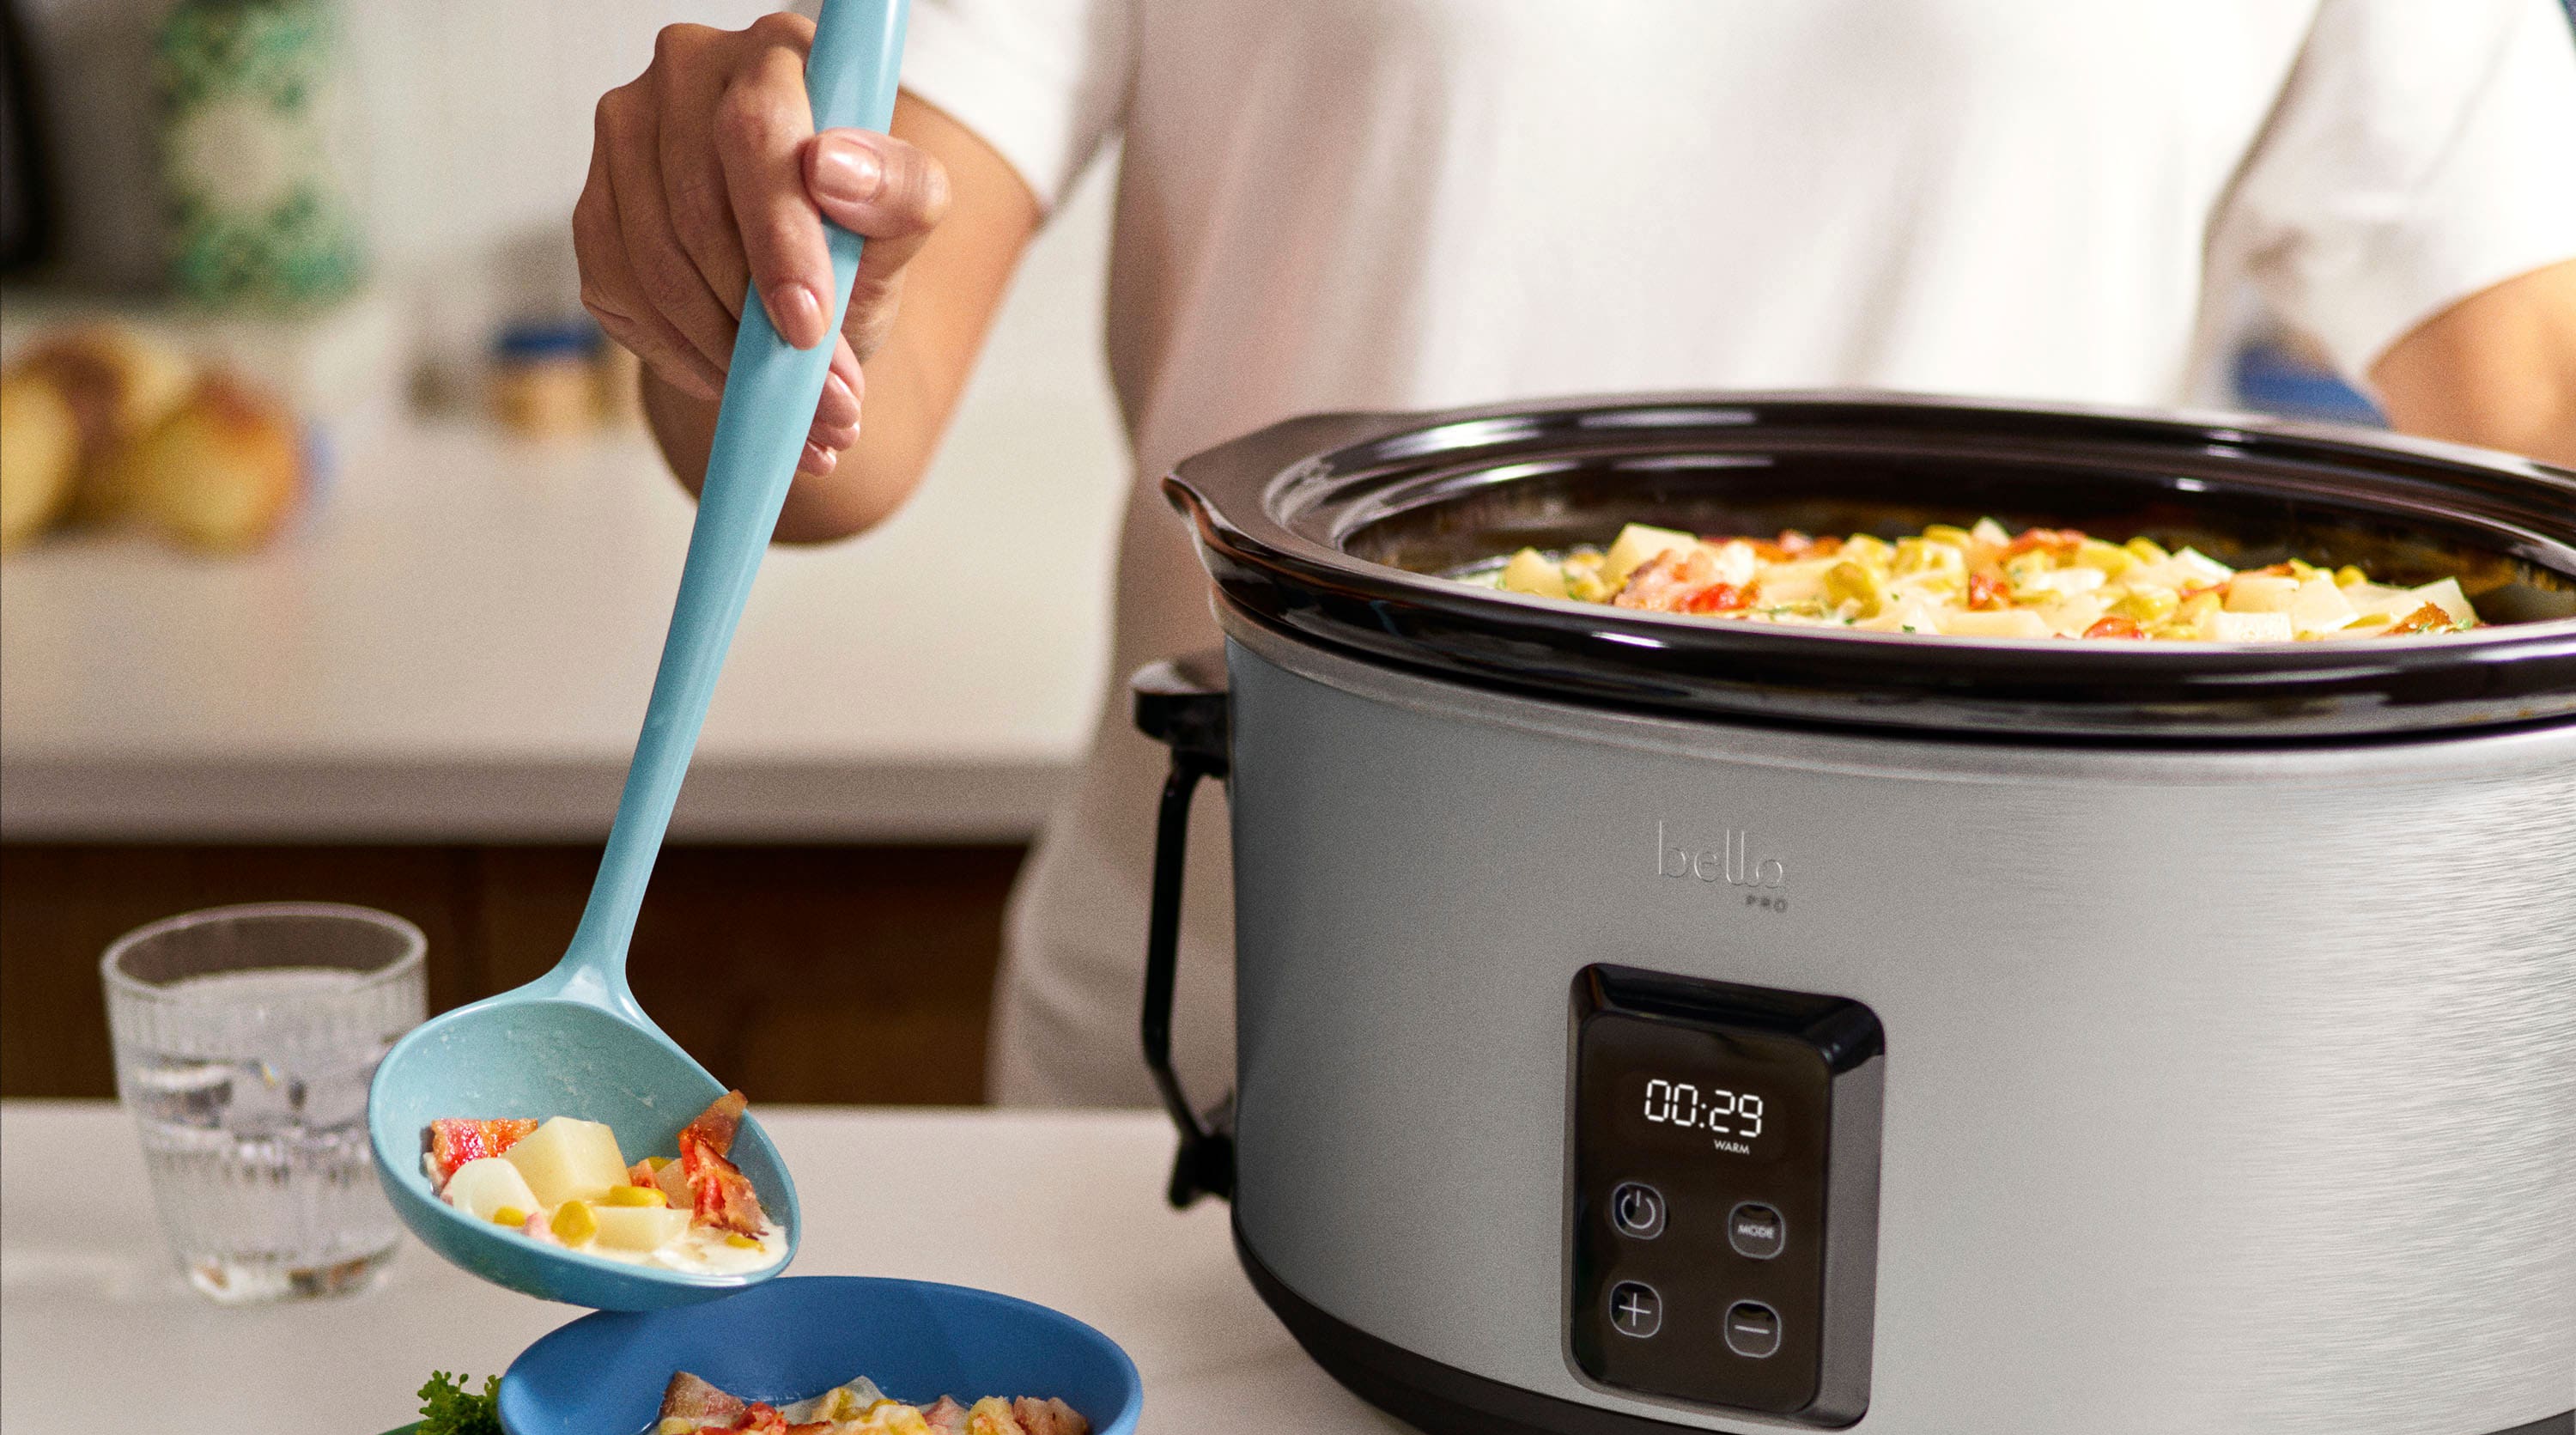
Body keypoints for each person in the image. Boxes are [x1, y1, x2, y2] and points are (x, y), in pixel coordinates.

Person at [576, 1, 2576, 1110]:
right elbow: (834, 421)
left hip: (2011, 1096)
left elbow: (2532, 411)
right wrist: (729, 251)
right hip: (1254, 1054)